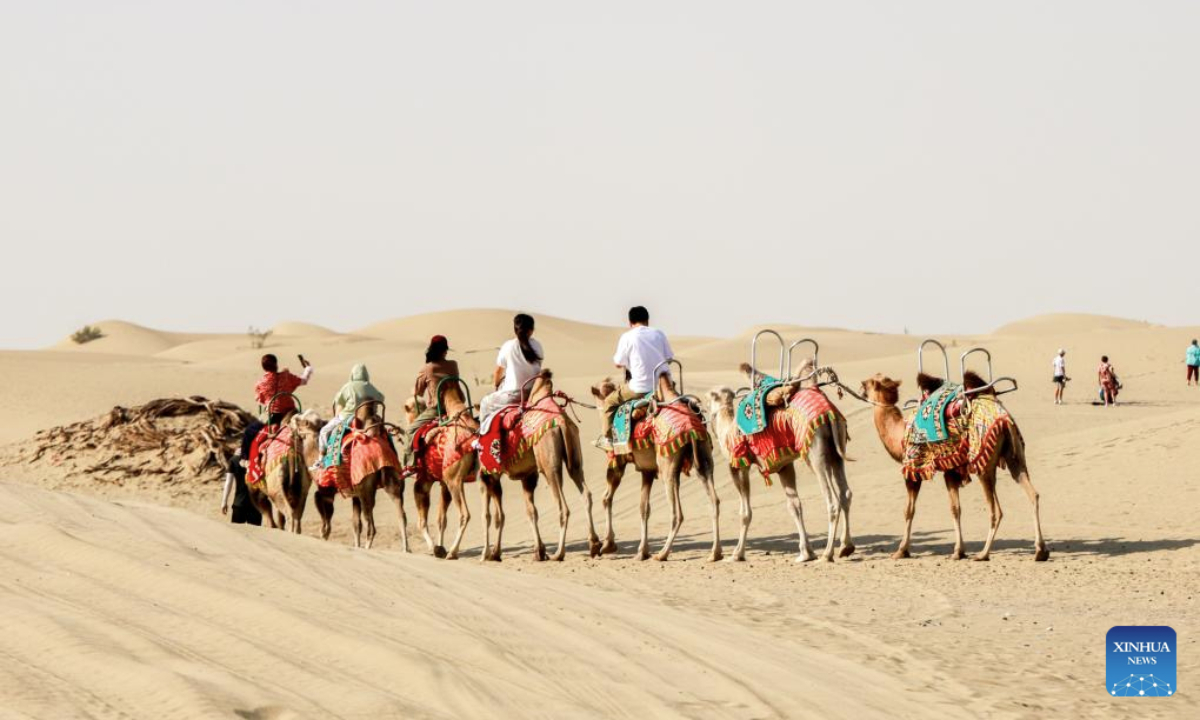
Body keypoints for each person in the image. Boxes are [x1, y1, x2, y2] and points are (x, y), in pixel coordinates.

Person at [597, 306, 674, 450]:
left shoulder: (627, 336)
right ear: (648, 321)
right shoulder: (659, 334)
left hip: (640, 388)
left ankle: (608, 439)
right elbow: (669, 358)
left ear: (630, 322)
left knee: (609, 402)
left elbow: (618, 363)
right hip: (665, 387)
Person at [402, 336, 460, 466]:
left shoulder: (427, 368)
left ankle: (409, 465)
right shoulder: (453, 365)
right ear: (445, 351)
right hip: (457, 407)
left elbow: (418, 392)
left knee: (410, 430)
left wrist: (415, 390)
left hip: (437, 409)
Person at [479, 314, 544, 423]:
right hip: (534, 392)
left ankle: (483, 437)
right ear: (532, 330)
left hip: (514, 395)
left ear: (515, 329)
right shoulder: (538, 346)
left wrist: (496, 385)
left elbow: (498, 372)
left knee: (485, 402)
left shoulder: (508, 346)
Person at [317, 364, 385, 463]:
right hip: (370, 418)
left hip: (348, 417)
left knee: (324, 431)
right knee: (387, 435)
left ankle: (321, 457)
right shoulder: (371, 387)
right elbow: (381, 398)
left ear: (352, 375)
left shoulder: (348, 386)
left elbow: (339, 402)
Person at [220, 421, 264, 525]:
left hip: (239, 504)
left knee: (237, 536)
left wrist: (224, 502)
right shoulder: (260, 459)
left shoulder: (234, 460)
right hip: (256, 505)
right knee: (257, 538)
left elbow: (228, 483)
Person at [254, 353, 313, 424]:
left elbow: (261, 400)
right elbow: (303, 380)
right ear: (276, 365)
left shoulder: (260, 383)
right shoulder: (286, 376)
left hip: (272, 415)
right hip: (290, 411)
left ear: (263, 367)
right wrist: (308, 368)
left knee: (250, 431)